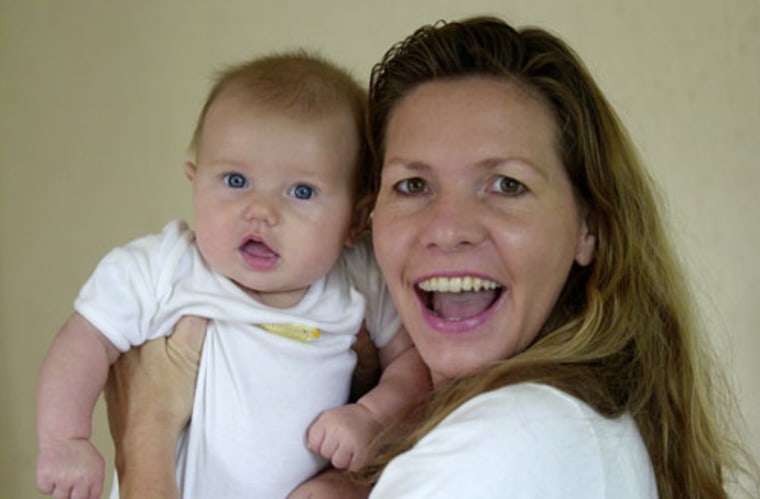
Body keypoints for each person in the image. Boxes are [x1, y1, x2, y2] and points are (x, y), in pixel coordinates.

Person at [106, 16, 759, 499]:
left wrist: (145, 437)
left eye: (506, 184)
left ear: (588, 226)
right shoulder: (544, 428)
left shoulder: (512, 439)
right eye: (412, 185)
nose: (447, 229)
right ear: (364, 222)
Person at [35, 51, 430, 499]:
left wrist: (373, 417)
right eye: (235, 181)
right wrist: (66, 439)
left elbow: (412, 363)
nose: (260, 211)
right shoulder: (167, 266)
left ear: (356, 220)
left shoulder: (357, 279)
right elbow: (83, 339)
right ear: (195, 179)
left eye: (301, 191)